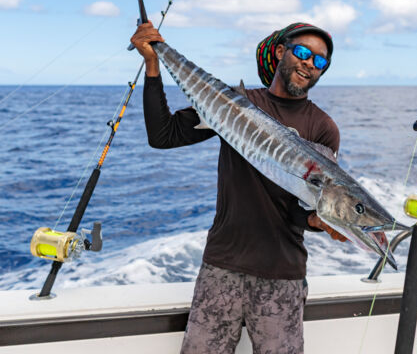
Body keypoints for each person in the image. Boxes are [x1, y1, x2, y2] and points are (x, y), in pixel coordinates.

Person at [130, 21, 347, 354]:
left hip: (282, 276)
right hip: (222, 267)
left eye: (320, 62)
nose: (309, 63)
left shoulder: (323, 128)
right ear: (280, 52)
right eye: (303, 53)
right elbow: (163, 136)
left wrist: (318, 221)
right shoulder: (234, 103)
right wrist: (152, 63)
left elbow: (298, 211)